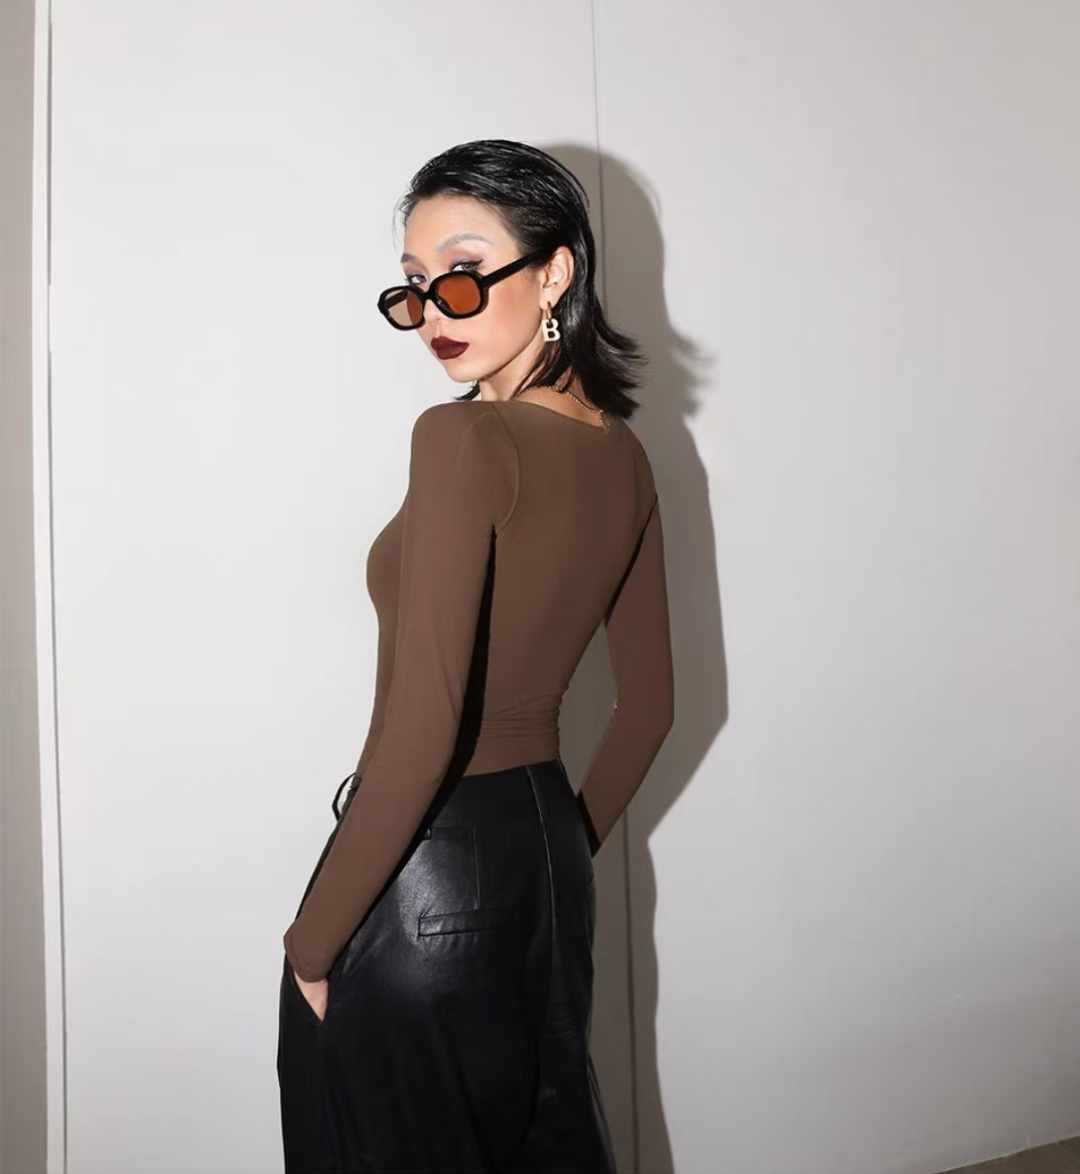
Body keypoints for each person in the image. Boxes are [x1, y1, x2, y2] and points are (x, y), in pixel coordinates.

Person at [277, 138, 674, 1173]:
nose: (433, 312)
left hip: (422, 872)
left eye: (462, 272)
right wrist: (557, 856)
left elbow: (425, 727)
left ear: (555, 271)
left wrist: (312, 943)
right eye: (414, 286)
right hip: (544, 865)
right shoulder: (626, 456)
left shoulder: (458, 442)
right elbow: (649, 711)